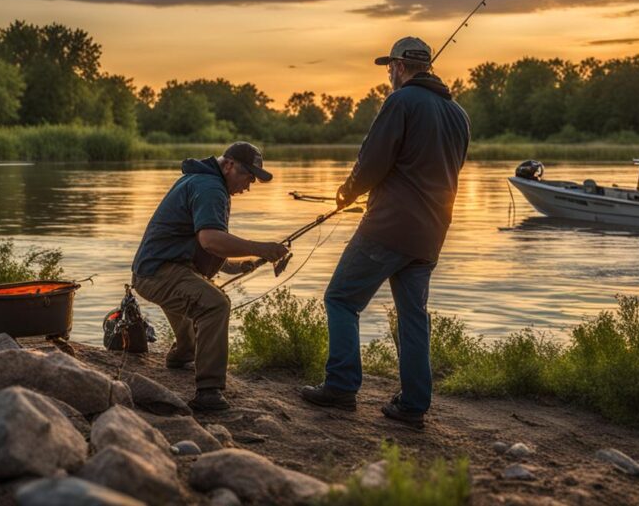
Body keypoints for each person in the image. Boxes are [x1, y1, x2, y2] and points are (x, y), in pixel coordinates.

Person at [300, 36, 471, 427]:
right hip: (431, 232)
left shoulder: (400, 101)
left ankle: (341, 387)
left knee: (342, 299)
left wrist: (348, 191)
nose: (388, 74)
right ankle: (413, 406)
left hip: (388, 228)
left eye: (388, 67)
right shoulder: (459, 113)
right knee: (413, 317)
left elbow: (373, 159)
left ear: (398, 66)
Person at [131, 142, 289, 411]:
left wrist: (239, 266)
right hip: (158, 273)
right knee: (216, 304)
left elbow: (201, 243)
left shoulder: (200, 179)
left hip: (159, 269)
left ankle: (183, 354)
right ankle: (208, 391)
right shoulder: (211, 188)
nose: (248, 186)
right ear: (228, 165)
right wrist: (261, 247)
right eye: (247, 177)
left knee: (202, 307)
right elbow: (211, 240)